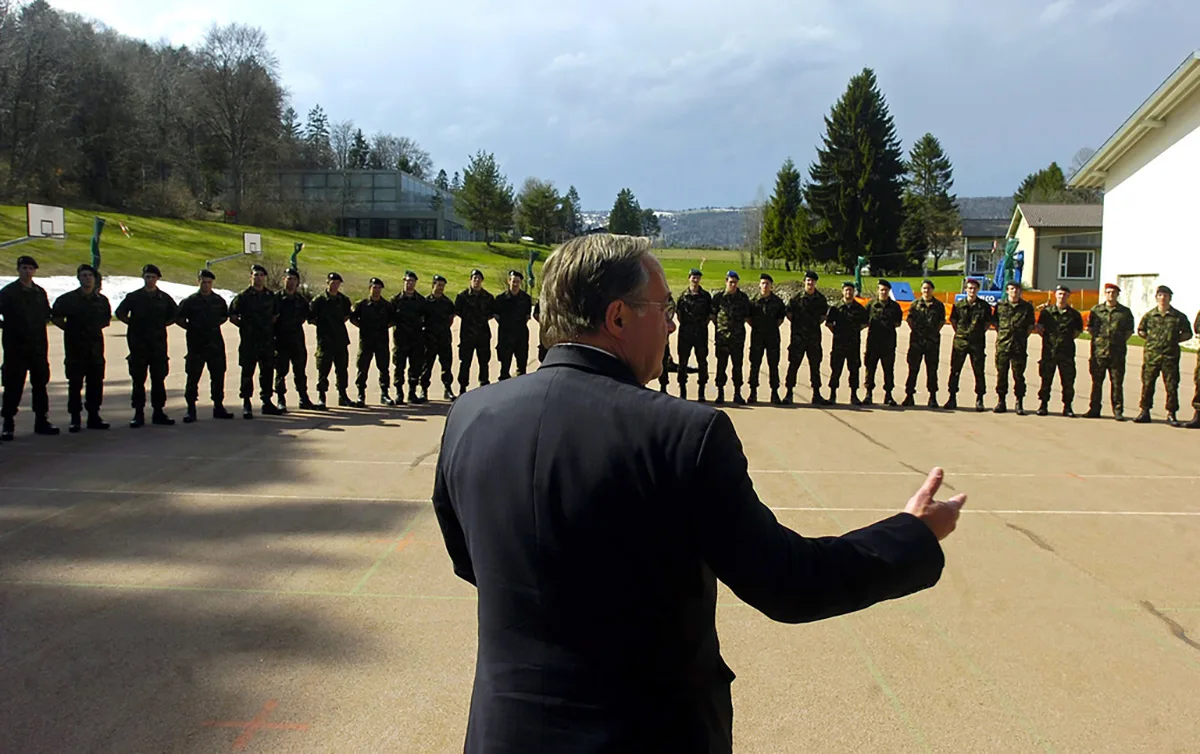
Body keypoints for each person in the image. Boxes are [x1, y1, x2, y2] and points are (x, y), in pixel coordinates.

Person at [431, 234, 964, 753]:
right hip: (645, 733)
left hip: (504, 733)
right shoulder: (683, 434)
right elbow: (789, 582)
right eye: (661, 308)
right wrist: (910, 534)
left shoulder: (470, 416)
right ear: (618, 317)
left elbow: (470, 560)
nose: (671, 322)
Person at [0, 255, 58, 439]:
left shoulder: (39, 293)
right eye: (24, 268)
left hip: (38, 347)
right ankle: (8, 422)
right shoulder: (8, 293)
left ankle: (42, 420)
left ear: (34, 271)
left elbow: (46, 315)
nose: (27, 271)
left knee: (40, 385)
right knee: (13, 385)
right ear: (18, 270)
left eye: (30, 268)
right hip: (15, 348)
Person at [115, 264, 177, 427]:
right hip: (138, 346)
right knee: (138, 381)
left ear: (158, 279)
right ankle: (138, 413)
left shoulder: (164, 298)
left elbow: (174, 315)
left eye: (153, 277)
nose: (150, 280)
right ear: (143, 278)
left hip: (157, 345)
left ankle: (158, 412)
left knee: (158, 380)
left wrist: (160, 325)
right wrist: (134, 325)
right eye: (147, 277)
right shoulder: (134, 297)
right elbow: (120, 313)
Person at [174, 269, 235, 423]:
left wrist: (211, 327)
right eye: (203, 282)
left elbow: (223, 317)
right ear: (198, 282)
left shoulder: (218, 301)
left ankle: (218, 406)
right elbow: (179, 318)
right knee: (193, 377)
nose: (206, 285)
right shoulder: (190, 301)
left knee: (218, 376)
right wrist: (193, 328)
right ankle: (191, 408)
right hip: (196, 345)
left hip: (215, 345)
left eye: (208, 282)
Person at [229, 264, 282, 419]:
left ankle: (266, 401)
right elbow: (233, 316)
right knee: (247, 373)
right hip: (249, 342)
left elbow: (275, 315)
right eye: (255, 275)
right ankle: (246, 403)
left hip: (266, 341)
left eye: (261, 275)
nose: (258, 278)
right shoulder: (243, 297)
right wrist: (246, 327)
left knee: (267, 372)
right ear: (250, 277)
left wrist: (264, 327)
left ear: (264, 278)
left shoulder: (270, 296)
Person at [1134, 285, 1192, 426]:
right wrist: (1153, 341)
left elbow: (1187, 333)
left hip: (1170, 356)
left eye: (1166, 295)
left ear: (1170, 298)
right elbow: (1141, 331)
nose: (1163, 298)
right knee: (1148, 384)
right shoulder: (1149, 315)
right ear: (1156, 297)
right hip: (1152, 356)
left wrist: (1173, 340)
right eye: (1160, 295)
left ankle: (1171, 413)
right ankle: (1145, 411)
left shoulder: (1178, 316)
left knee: (1171, 386)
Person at [1085, 283, 1135, 421]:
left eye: (1113, 292)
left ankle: (1118, 410)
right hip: (1099, 353)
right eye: (1108, 292)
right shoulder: (1096, 310)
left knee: (1117, 383)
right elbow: (1090, 328)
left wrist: (1117, 341)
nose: (1111, 295)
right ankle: (1094, 409)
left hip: (1117, 354)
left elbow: (1129, 331)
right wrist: (1100, 341)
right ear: (1105, 294)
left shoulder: (1124, 312)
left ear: (1118, 294)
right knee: (1097, 383)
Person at [1034, 284, 1084, 417]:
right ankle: (1043, 405)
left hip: (1066, 353)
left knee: (1068, 381)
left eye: (1065, 294)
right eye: (1060, 294)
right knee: (1046, 380)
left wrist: (1063, 341)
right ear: (1055, 295)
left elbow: (1077, 332)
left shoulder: (1074, 314)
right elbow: (1039, 328)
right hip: (1049, 352)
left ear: (1068, 296)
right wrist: (1050, 340)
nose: (1062, 296)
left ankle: (1068, 407)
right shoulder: (1047, 312)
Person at [946, 278, 992, 411]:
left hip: (977, 343)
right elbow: (954, 321)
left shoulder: (984, 306)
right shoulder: (959, 305)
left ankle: (980, 399)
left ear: (978, 290)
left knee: (978, 371)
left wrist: (976, 333)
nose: (972, 291)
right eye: (969, 288)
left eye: (974, 288)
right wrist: (962, 334)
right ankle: (952, 397)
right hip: (960, 342)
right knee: (955, 370)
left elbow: (987, 323)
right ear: (965, 289)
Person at [308, 272, 354, 409]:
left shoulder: (344, 300)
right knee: (323, 370)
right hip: (325, 341)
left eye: (337, 283)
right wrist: (324, 326)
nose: (335, 285)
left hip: (340, 340)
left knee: (342, 369)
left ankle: (343, 395)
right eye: (332, 282)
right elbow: (311, 318)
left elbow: (347, 316)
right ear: (327, 283)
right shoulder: (319, 300)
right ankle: (322, 396)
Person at [783, 270, 829, 406]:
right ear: (804, 282)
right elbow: (789, 315)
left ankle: (816, 394)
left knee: (815, 366)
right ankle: (789, 393)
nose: (810, 283)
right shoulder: (795, 299)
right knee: (793, 366)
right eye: (808, 280)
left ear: (815, 283)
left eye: (812, 281)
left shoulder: (820, 299)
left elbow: (823, 316)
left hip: (814, 339)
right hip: (798, 339)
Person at [274, 268, 315, 411]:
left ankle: (303, 397)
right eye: (288, 278)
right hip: (280, 340)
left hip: (297, 340)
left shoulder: (301, 301)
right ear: (283, 280)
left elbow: (307, 317)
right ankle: (281, 399)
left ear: (298, 282)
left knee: (300, 371)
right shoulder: (275, 299)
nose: (290, 282)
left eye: (293, 279)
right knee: (281, 371)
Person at [993, 281, 1036, 415]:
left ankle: (1019, 402)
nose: (1014, 291)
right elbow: (995, 323)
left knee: (1018, 375)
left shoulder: (1027, 307)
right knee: (1001, 375)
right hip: (1003, 346)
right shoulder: (1000, 306)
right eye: (1011, 289)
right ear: (1007, 291)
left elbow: (1030, 326)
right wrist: (1004, 335)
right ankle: (1001, 401)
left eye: (1016, 289)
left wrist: (1021, 338)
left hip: (1019, 347)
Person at [350, 277, 394, 407]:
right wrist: (363, 328)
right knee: (363, 368)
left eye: (379, 288)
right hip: (366, 341)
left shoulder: (386, 305)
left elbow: (392, 320)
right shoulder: (362, 305)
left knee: (384, 368)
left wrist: (381, 328)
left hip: (381, 341)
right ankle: (360, 394)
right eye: (374, 288)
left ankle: (384, 393)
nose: (377, 291)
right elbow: (353, 318)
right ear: (370, 288)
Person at [710, 270, 751, 405]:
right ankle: (720, 393)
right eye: (730, 282)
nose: (733, 285)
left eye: (735, 282)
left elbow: (747, 316)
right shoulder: (718, 298)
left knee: (737, 366)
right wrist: (722, 327)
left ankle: (737, 393)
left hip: (737, 338)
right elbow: (713, 316)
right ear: (726, 281)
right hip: (722, 338)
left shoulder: (743, 298)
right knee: (721, 366)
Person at [903, 279, 946, 408]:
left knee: (932, 370)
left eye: (929, 288)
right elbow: (909, 320)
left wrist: (932, 333)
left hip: (932, 343)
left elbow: (941, 322)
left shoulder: (938, 305)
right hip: (916, 342)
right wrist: (917, 332)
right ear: (921, 290)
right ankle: (909, 395)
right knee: (913, 370)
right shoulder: (915, 304)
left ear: (933, 290)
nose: (926, 291)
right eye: (924, 288)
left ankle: (932, 397)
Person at [825, 281, 868, 406]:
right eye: (846, 290)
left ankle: (854, 396)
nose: (848, 292)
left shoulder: (859, 308)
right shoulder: (835, 307)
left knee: (854, 370)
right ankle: (832, 395)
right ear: (842, 291)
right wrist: (838, 332)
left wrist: (853, 331)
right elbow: (828, 323)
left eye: (850, 290)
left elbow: (864, 323)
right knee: (836, 370)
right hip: (838, 344)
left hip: (853, 345)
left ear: (854, 292)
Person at [747, 273, 786, 405]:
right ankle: (753, 392)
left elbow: (781, 318)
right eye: (763, 283)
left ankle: (774, 393)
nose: (765, 286)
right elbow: (748, 318)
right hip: (757, 336)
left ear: (771, 286)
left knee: (773, 365)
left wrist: (770, 328)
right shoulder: (753, 301)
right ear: (759, 285)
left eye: (767, 284)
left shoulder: (778, 302)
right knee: (755, 364)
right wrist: (758, 327)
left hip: (772, 337)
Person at [390, 270, 428, 404]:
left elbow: (426, 318)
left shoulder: (421, 301)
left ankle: (412, 393)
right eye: (407, 281)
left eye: (412, 282)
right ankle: (399, 393)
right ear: (403, 282)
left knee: (415, 367)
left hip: (416, 340)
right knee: (399, 367)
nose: (409, 284)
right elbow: (390, 319)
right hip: (401, 340)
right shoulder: (395, 300)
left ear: (415, 283)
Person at [863, 279, 902, 407]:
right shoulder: (871, 305)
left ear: (889, 291)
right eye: (881, 290)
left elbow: (897, 323)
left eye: (885, 290)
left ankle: (888, 395)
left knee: (888, 370)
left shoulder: (895, 307)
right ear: (878, 290)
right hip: (873, 343)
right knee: (870, 368)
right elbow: (864, 321)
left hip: (888, 344)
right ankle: (868, 394)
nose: (883, 292)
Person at [455, 269, 495, 395]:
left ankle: (484, 385)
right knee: (465, 362)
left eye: (479, 278)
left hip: (483, 335)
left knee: (484, 362)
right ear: (470, 280)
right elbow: (458, 312)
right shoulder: (462, 296)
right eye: (474, 278)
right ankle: (462, 387)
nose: (476, 281)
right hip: (467, 335)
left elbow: (491, 313)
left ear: (482, 281)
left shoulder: (488, 297)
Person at [675, 268, 712, 401]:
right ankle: (682, 391)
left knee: (702, 362)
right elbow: (679, 315)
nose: (695, 280)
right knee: (683, 362)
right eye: (693, 277)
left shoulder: (706, 296)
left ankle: (701, 391)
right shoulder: (682, 297)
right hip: (685, 334)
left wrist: (700, 326)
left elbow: (709, 315)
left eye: (697, 277)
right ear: (689, 278)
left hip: (701, 334)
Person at [422, 274, 457, 401]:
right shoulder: (425, 302)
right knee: (427, 365)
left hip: (444, 338)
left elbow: (450, 320)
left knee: (446, 365)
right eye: (439, 285)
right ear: (433, 285)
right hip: (429, 339)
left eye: (443, 285)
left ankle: (447, 389)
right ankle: (423, 390)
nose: (441, 288)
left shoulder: (447, 303)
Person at [493, 270, 533, 381]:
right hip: (505, 335)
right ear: (508, 281)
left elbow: (527, 316)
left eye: (517, 282)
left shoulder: (526, 299)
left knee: (521, 365)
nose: (515, 284)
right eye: (513, 281)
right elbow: (496, 316)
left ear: (520, 283)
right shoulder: (500, 299)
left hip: (521, 335)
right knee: (504, 366)